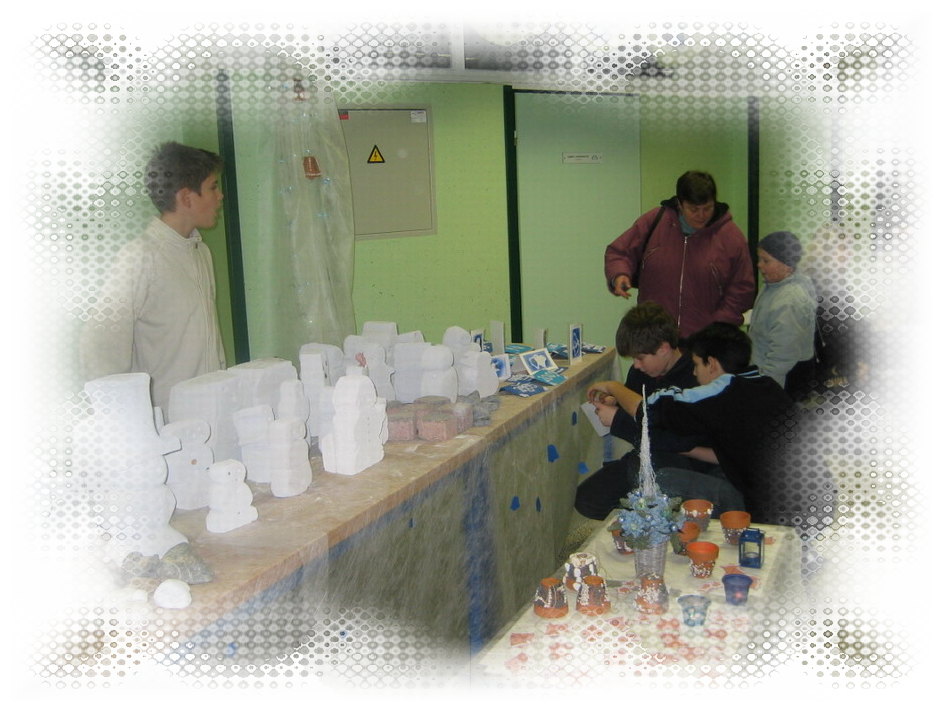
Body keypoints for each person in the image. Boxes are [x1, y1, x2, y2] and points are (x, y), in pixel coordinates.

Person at [587, 322, 832, 528]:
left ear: (712, 364)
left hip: (774, 510)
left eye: (696, 365)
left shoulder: (720, 390)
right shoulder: (765, 384)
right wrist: (682, 448)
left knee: (663, 480)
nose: (695, 374)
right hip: (818, 499)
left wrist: (613, 388)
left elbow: (647, 409)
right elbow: (727, 454)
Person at [80, 142, 227, 413]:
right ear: (186, 198)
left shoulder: (200, 252)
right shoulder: (140, 257)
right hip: (163, 422)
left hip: (209, 413)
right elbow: (100, 351)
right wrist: (124, 422)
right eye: (213, 187)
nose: (220, 196)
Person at [573, 301, 705, 521]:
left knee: (640, 477)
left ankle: (653, 522)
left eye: (640, 358)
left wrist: (617, 419)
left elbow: (671, 440)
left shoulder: (695, 377)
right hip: (645, 458)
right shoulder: (642, 372)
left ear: (663, 349)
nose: (636, 365)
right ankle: (639, 522)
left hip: (683, 463)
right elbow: (635, 408)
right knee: (587, 499)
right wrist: (616, 402)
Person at [604, 170, 755, 339]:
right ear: (680, 204)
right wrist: (620, 274)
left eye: (707, 208)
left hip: (705, 340)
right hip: (654, 335)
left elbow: (742, 288)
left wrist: (719, 324)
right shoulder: (655, 221)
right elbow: (619, 252)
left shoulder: (730, 236)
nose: (701, 215)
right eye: (693, 209)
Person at [749, 231, 818, 400]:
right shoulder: (773, 285)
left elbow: (782, 358)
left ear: (787, 265)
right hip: (767, 371)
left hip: (783, 380)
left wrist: (766, 391)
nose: (759, 265)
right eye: (759, 259)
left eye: (766, 261)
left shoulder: (790, 302)